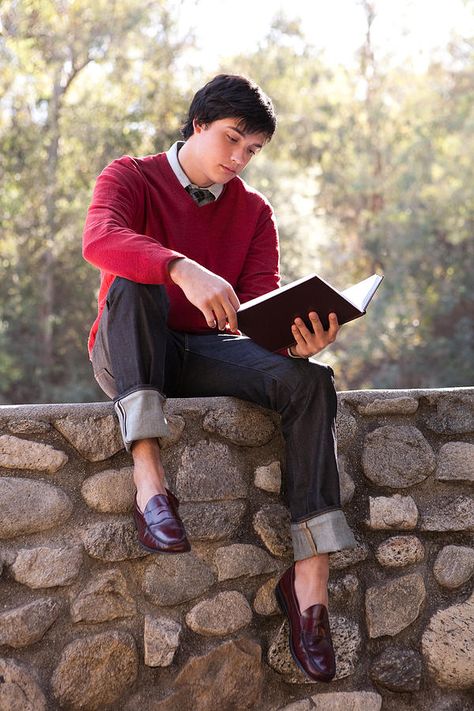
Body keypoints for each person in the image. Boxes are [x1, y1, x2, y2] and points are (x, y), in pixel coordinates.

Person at [83, 73, 357, 683]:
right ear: (198, 124)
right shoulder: (130, 175)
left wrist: (297, 340)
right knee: (133, 283)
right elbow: (100, 240)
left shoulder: (255, 212)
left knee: (309, 381)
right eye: (232, 140)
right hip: (129, 350)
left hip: (208, 352)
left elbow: (259, 312)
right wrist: (180, 268)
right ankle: (149, 481)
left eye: (252, 150)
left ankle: (309, 579)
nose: (239, 159)